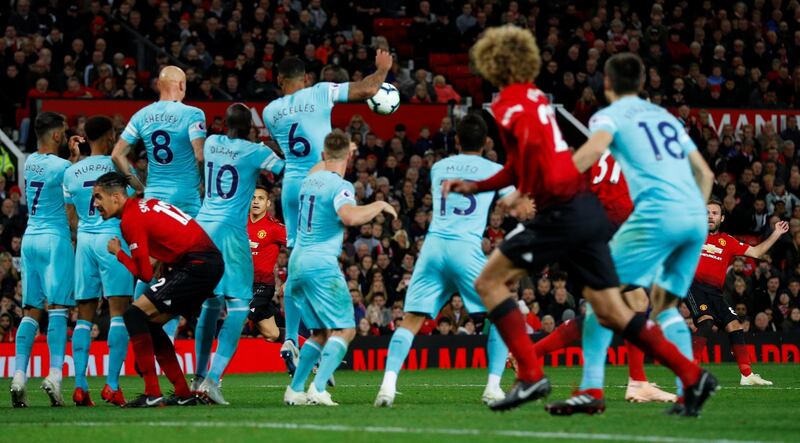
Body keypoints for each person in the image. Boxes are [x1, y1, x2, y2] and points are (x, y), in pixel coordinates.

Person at [444, 27, 715, 417]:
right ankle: (692, 375)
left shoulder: (507, 105)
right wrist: (481, 186)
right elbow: (527, 160)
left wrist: (520, 191)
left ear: (493, 62)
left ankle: (531, 374)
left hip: (561, 212)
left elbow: (530, 159)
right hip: (588, 210)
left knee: (488, 282)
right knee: (613, 312)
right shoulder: (537, 97)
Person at [557, 51, 716, 416]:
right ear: (643, 84)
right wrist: (692, 213)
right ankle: (687, 392)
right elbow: (705, 176)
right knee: (664, 306)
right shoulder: (666, 117)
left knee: (601, 294)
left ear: (607, 84)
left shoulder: (608, 115)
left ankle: (592, 390)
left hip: (656, 214)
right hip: (694, 217)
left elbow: (592, 150)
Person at [261, 51, 391, 375]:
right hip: (323, 177)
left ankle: (291, 339)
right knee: (323, 255)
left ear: (279, 80)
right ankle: (321, 339)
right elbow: (366, 90)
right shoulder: (320, 92)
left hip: (292, 185)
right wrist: (382, 70)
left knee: (297, 259)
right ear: (306, 79)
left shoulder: (269, 111)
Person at [374, 113, 517, 408]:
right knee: (501, 316)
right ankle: (492, 388)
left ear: (455, 140)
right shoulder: (493, 169)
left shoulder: (439, 167)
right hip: (466, 249)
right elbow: (516, 202)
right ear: (486, 142)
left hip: (434, 247)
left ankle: (387, 386)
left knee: (411, 319)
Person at [533, 151, 677, 403]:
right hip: (609, 237)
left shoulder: (593, 152)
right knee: (622, 308)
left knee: (620, 308)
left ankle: (531, 353)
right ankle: (635, 382)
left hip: (589, 236)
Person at [283, 129, 396, 406]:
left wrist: (341, 150)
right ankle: (318, 388)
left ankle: (295, 390)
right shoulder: (340, 186)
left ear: (323, 155)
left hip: (296, 263)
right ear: (348, 156)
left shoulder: (309, 181)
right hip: (321, 265)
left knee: (320, 333)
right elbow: (349, 216)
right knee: (345, 330)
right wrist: (379, 204)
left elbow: (324, 162)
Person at [92, 171, 223, 407]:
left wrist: (118, 253)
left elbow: (144, 274)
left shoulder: (130, 219)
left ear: (116, 196)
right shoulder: (146, 205)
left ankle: (152, 393)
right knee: (150, 324)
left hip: (196, 265)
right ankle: (183, 393)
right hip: (203, 263)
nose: (96, 204)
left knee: (133, 314)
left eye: (99, 197)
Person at [191, 103, 284, 405]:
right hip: (231, 231)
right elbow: (284, 169)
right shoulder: (256, 151)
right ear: (251, 129)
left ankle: (197, 377)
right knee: (239, 306)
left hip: (202, 227)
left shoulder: (212, 142)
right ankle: (212, 380)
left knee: (209, 304)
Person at [111, 65, 207, 340]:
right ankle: (168, 337)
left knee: (151, 270)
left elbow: (117, 155)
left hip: (153, 202)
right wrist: (203, 182)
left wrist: (139, 187)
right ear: (180, 85)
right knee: (191, 269)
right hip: (186, 202)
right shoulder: (192, 114)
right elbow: (200, 155)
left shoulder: (142, 115)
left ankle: (138, 325)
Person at [62, 116, 134, 407]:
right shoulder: (115, 164)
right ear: (108, 136)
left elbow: (70, 217)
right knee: (119, 312)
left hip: (84, 243)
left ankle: (80, 386)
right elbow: (139, 192)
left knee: (84, 315)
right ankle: (112, 386)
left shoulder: (71, 171)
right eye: (114, 134)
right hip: (112, 239)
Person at [10, 112, 80, 408]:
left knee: (30, 310)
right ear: (55, 136)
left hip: (30, 240)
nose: (65, 137)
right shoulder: (63, 166)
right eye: (63, 132)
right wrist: (76, 160)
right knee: (59, 309)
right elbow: (72, 203)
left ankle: (18, 377)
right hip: (54, 239)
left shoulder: (30, 163)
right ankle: (54, 376)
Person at [689, 198, 786, 386]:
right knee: (706, 322)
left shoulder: (728, 241)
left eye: (715, 213)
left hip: (716, 293)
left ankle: (747, 375)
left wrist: (776, 233)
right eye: (707, 212)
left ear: (722, 218)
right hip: (694, 287)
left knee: (735, 326)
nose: (710, 216)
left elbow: (757, 253)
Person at [247, 186, 287, 343]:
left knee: (239, 316)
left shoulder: (275, 227)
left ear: (268, 204)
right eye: (253, 198)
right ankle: (314, 353)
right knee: (272, 333)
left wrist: (290, 278)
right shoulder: (239, 222)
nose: (256, 202)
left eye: (261, 198)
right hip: (241, 283)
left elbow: (299, 247)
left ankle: (215, 365)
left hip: (262, 285)